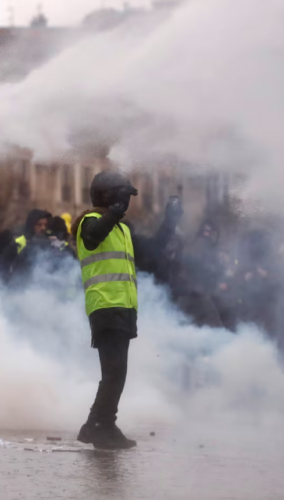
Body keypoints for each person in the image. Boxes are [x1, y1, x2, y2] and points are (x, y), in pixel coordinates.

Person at [72, 171, 182, 450]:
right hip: (105, 305)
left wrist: (169, 223)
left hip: (123, 308)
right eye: (123, 196)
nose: (127, 202)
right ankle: (100, 426)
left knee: (116, 373)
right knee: (114, 372)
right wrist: (113, 214)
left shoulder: (121, 230)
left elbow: (152, 252)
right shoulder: (91, 221)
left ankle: (98, 425)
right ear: (109, 197)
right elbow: (93, 237)